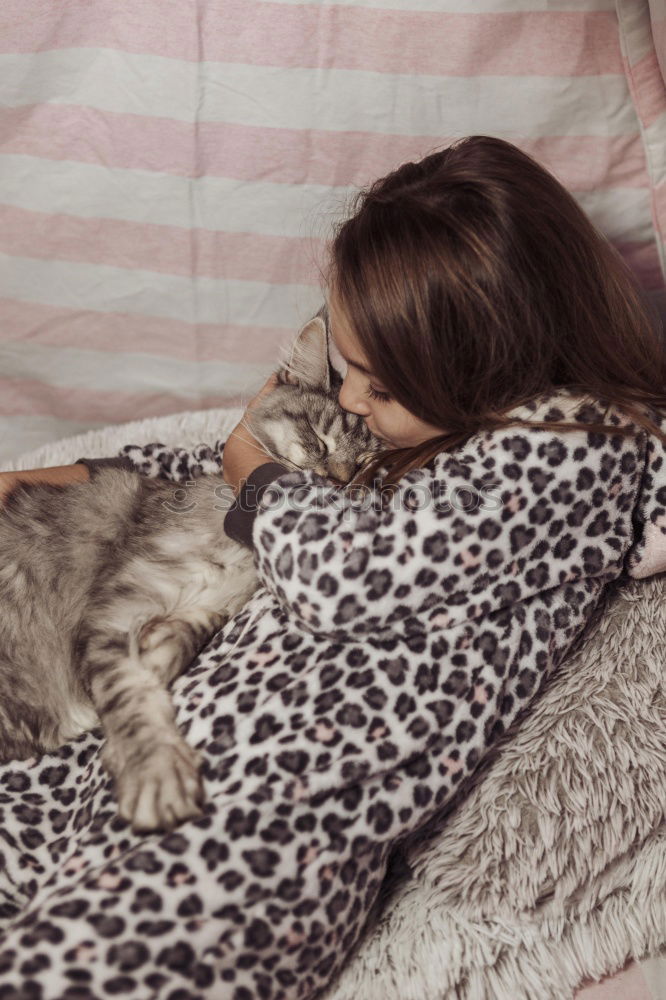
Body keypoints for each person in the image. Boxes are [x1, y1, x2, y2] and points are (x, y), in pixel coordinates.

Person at [1, 134, 666, 1000]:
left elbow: (346, 574)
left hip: (261, 832)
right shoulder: (433, 428)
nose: (353, 399)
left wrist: (259, 476)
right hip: (127, 760)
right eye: (351, 370)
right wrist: (58, 476)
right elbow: (227, 461)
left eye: (380, 389)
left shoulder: (577, 449)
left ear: (487, 362)